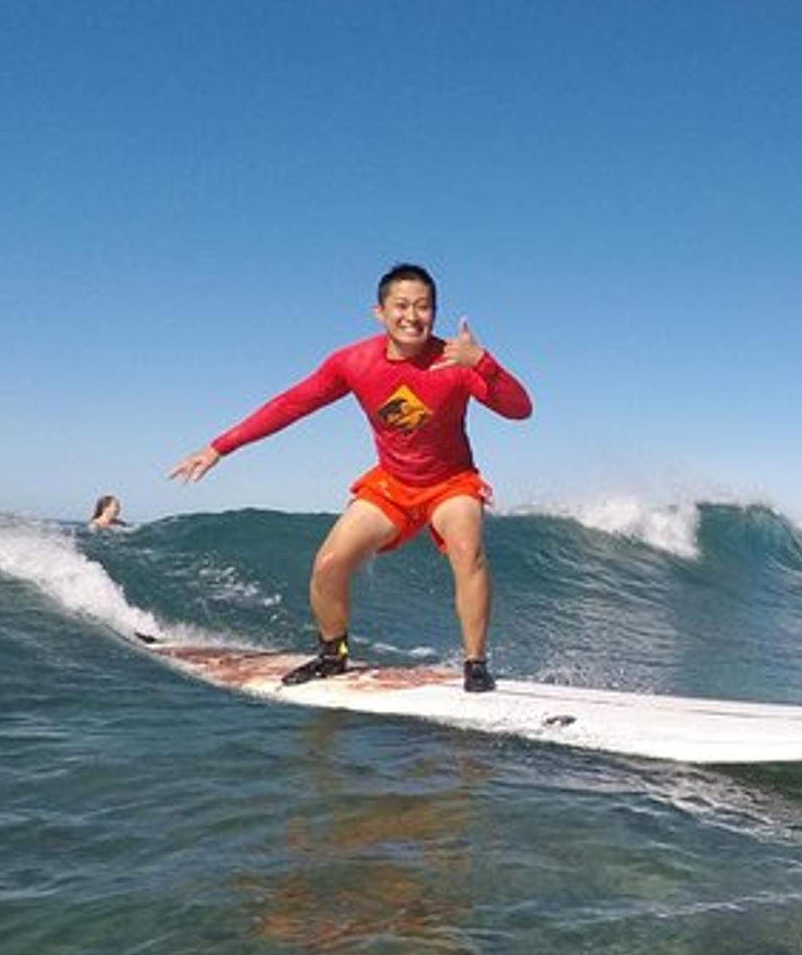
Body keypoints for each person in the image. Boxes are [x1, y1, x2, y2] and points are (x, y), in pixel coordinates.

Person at [169, 263, 532, 692]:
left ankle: (475, 664)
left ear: (434, 313)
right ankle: (333, 654)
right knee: (329, 563)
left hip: (450, 482)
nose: (412, 316)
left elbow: (519, 409)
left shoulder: (456, 362)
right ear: (379, 312)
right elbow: (291, 404)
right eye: (401, 306)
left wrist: (484, 363)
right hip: (392, 483)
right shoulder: (353, 362)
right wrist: (219, 447)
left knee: (467, 548)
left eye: (423, 307)